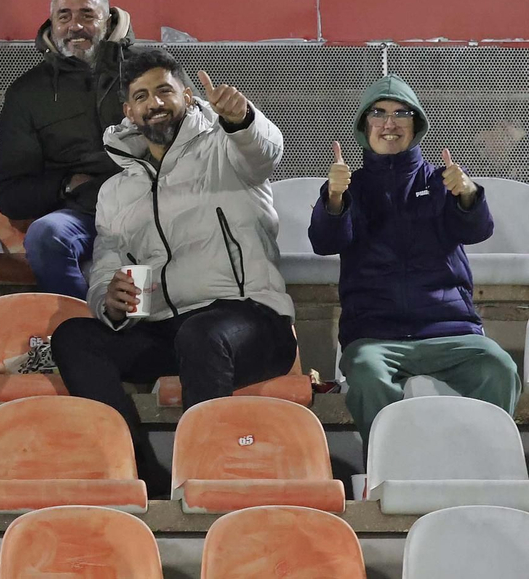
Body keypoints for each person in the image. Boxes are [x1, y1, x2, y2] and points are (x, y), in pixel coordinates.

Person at [49, 48, 297, 495]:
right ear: (129, 111)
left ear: (185, 94)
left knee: (201, 334)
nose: (154, 102)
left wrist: (243, 119)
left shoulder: (226, 148)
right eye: (141, 96)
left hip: (253, 322)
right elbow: (107, 258)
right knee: (74, 337)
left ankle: (204, 479)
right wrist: (108, 298)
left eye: (164, 90)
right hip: (169, 329)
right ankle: (141, 475)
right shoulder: (116, 191)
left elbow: (265, 152)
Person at [309, 74, 520, 443]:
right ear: (364, 126)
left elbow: (477, 230)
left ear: (416, 125)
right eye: (378, 113)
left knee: (498, 366)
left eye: (401, 113)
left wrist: (468, 194)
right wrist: (335, 199)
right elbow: (325, 242)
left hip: (450, 330)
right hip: (375, 337)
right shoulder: (349, 187)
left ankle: (486, 469)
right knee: (367, 375)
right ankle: (386, 474)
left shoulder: (442, 181)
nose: (389, 123)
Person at [0, 0, 133, 297]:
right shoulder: (26, 93)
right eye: (64, 16)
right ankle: (82, 327)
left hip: (150, 205)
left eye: (87, 15)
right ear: (52, 23)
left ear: (109, 19)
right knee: (45, 234)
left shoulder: (149, 71)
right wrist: (67, 184)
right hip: (81, 213)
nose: (75, 26)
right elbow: (11, 194)